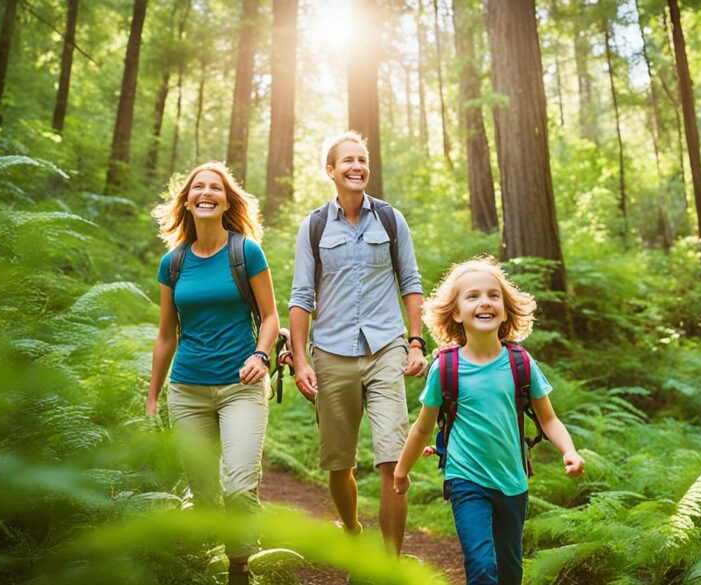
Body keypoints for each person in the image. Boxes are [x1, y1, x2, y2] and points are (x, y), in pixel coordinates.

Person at [393, 257, 584, 585]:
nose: (484, 302)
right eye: (473, 296)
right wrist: (401, 470)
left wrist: (570, 450)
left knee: (510, 571)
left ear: (506, 308)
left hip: (513, 482)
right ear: (456, 312)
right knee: (481, 566)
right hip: (466, 480)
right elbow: (423, 426)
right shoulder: (446, 369)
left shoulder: (520, 363)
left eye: (493, 295)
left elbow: (548, 418)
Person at [286, 131, 427, 554]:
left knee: (394, 462)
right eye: (347, 160)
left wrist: (416, 342)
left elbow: (411, 282)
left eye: (362, 160)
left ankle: (388, 565)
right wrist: (299, 361)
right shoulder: (313, 226)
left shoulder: (390, 219)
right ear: (330, 170)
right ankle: (351, 530)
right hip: (330, 354)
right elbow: (300, 297)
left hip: (386, 349)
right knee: (338, 464)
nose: (357, 167)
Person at [146, 162, 279, 585]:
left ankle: (239, 569)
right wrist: (152, 397)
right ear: (187, 201)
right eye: (198, 187)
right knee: (203, 491)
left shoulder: (246, 252)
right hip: (186, 390)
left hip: (241, 386)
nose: (206, 193)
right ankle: (204, 566)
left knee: (239, 483)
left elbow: (271, 317)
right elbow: (166, 335)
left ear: (226, 201)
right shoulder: (174, 262)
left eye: (215, 188)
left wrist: (261, 355)